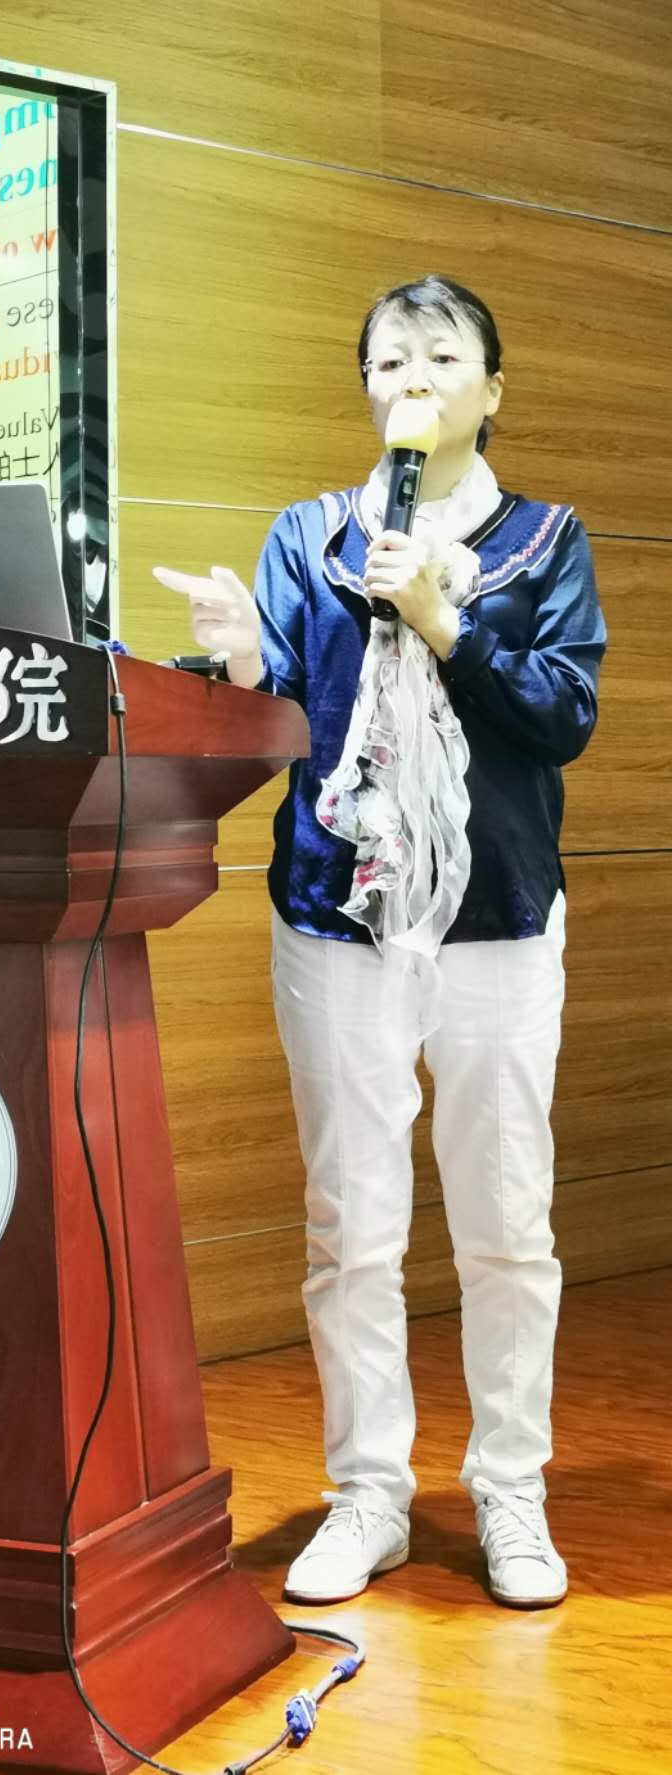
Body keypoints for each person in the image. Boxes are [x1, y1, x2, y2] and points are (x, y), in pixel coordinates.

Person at [154, 274, 606, 1611]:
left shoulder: (546, 540)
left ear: (492, 389)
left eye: (441, 354)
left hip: (496, 920)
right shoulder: (309, 536)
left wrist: (441, 621)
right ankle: (369, 1496)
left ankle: (511, 1495)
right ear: (366, 387)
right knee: (350, 1227)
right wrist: (243, 658)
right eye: (390, 357)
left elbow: (563, 714)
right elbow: (282, 721)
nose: (412, 373)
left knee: (506, 1225)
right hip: (337, 920)